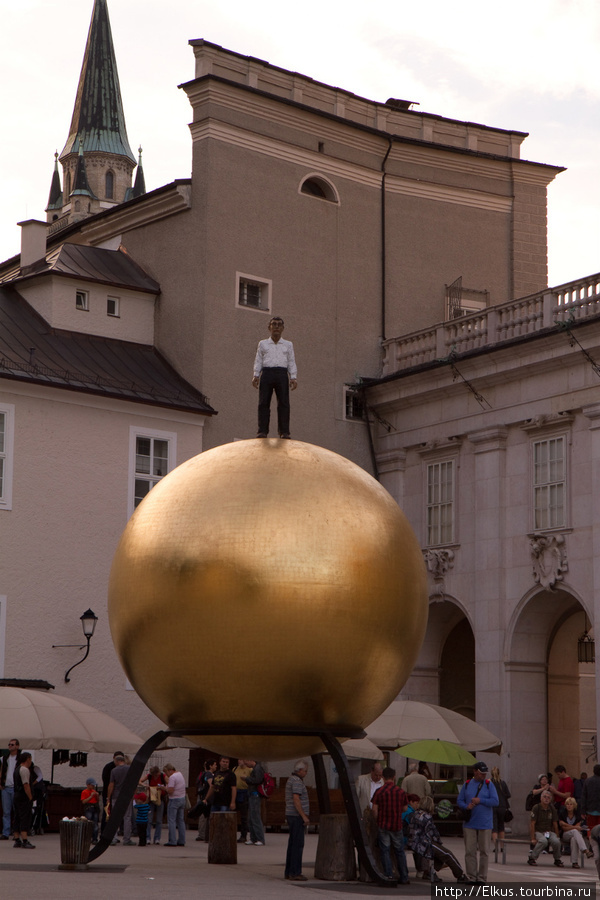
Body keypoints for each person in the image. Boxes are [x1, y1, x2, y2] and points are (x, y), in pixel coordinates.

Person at [252, 316, 297, 438]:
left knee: (283, 403)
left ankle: (284, 431)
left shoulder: (288, 345)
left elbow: (291, 361)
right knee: (263, 403)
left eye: (279, 325)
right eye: (274, 324)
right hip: (267, 373)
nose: (276, 327)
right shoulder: (263, 344)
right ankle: (262, 430)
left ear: (282, 328)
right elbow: (258, 360)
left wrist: (293, 376)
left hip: (282, 373)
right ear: (269, 327)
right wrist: (256, 375)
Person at [408, 795, 467, 883]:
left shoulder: (415, 814)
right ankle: (460, 875)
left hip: (414, 842)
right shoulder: (427, 817)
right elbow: (433, 834)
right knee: (447, 854)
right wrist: (439, 843)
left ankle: (430, 871)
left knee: (439, 854)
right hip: (424, 843)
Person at [456, 761, 498, 884]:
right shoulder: (467, 784)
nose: (483, 776)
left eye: (485, 773)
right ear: (475, 772)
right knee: (470, 851)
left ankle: (482, 877)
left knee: (484, 851)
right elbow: (459, 800)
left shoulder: (489, 784)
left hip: (485, 823)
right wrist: (466, 806)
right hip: (470, 822)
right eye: (481, 773)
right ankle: (471, 876)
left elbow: (495, 801)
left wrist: (481, 800)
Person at [371, 766, 410, 884]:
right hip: (397, 825)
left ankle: (389, 875)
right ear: (394, 777)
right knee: (399, 851)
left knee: (385, 850)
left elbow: (374, 809)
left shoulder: (379, 791)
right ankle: (404, 876)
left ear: (383, 777)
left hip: (383, 825)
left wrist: (377, 819)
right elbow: (404, 808)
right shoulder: (401, 792)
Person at [284, 760, 310, 882]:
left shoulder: (291, 779)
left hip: (291, 815)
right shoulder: (297, 781)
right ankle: (295, 872)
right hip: (296, 816)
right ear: (300, 770)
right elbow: (296, 799)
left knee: (292, 844)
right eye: (305, 771)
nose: (306, 773)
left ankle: (289, 871)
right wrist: (303, 816)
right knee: (298, 845)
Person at [527, 789, 564, 867]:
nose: (546, 799)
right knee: (543, 841)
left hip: (548, 832)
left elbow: (555, 823)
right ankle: (532, 857)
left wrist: (557, 835)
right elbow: (532, 824)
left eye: (548, 797)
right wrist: (533, 838)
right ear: (541, 798)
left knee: (556, 841)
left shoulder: (552, 809)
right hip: (538, 831)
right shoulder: (536, 807)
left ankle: (557, 859)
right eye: (544, 797)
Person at [106, 754, 134, 845]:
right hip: (127, 796)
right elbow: (133, 782)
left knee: (115, 817)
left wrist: (108, 797)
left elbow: (111, 785)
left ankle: (113, 838)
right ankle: (127, 839)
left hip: (116, 796)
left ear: (117, 761)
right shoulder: (130, 769)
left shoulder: (114, 770)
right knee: (127, 817)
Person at [558, 797, 593, 867]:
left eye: (571, 804)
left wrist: (567, 825)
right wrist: (573, 827)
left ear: (574, 805)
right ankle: (585, 850)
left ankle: (575, 862)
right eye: (567, 804)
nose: (569, 806)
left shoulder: (577, 814)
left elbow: (577, 827)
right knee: (574, 831)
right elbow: (564, 828)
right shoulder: (562, 813)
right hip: (565, 835)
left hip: (574, 835)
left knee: (574, 839)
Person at [12, 752, 35, 849]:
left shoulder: (17, 769)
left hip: (16, 795)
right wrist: (30, 797)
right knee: (24, 817)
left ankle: (17, 840)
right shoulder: (25, 770)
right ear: (27, 759)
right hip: (23, 797)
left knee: (17, 817)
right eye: (30, 759)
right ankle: (25, 840)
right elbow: (26, 785)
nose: (31, 761)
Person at [140, 765, 166, 844]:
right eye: (154, 775)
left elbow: (169, 784)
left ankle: (157, 838)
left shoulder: (163, 776)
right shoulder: (149, 776)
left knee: (159, 820)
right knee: (149, 819)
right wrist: (146, 785)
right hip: (151, 799)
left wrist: (162, 787)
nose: (155, 776)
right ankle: (148, 837)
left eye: (156, 775)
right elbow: (140, 781)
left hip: (160, 799)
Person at [192, 759, 217, 842]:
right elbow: (211, 785)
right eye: (215, 764)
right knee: (206, 817)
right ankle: (205, 835)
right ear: (210, 766)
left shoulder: (205, 774)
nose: (216, 766)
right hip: (207, 798)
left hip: (204, 796)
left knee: (205, 816)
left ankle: (203, 835)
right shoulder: (209, 774)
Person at [243, 758, 266, 846]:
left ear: (250, 760)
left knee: (255, 816)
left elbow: (257, 780)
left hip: (255, 794)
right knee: (251, 817)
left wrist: (247, 779)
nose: (246, 765)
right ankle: (253, 838)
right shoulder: (255, 769)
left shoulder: (258, 768)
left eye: (246, 763)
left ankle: (260, 838)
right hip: (251, 794)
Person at [163, 763, 186, 847]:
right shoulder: (180, 774)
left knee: (171, 820)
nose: (166, 775)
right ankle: (182, 840)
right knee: (181, 820)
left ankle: (172, 840)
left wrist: (164, 788)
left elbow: (170, 791)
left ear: (170, 771)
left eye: (166, 773)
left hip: (174, 799)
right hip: (182, 799)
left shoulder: (172, 777)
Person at [1, 738, 20, 839]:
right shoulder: (4, 758)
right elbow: (1, 771)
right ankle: (6, 832)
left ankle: (16, 832)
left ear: (17, 746)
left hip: (16, 788)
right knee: (6, 812)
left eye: (12, 745)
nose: (10, 746)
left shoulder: (20, 758)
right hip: (6, 787)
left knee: (16, 811)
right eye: (9, 744)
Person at [490, 767, 511, 847]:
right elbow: (508, 795)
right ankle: (502, 846)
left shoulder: (490, 783)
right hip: (502, 806)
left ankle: (495, 846)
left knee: (494, 827)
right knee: (501, 826)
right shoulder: (503, 783)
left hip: (493, 806)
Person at [233, 759, 252, 843]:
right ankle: (232, 833)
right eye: (238, 759)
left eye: (241, 759)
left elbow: (252, 781)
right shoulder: (235, 769)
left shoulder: (249, 770)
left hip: (244, 792)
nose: (239, 761)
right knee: (232, 814)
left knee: (244, 816)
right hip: (235, 792)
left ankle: (243, 835)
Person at [81, 777, 100, 842]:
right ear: (88, 785)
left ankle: (95, 838)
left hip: (95, 808)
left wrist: (97, 796)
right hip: (89, 808)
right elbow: (83, 801)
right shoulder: (84, 792)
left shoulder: (94, 791)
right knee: (88, 822)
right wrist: (91, 796)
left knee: (95, 823)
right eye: (92, 785)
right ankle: (88, 838)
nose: (93, 786)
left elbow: (97, 801)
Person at [581, 764, 600, 829]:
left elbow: (584, 797)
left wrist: (583, 811)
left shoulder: (587, 781)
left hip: (590, 809)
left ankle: (591, 838)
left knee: (591, 829)